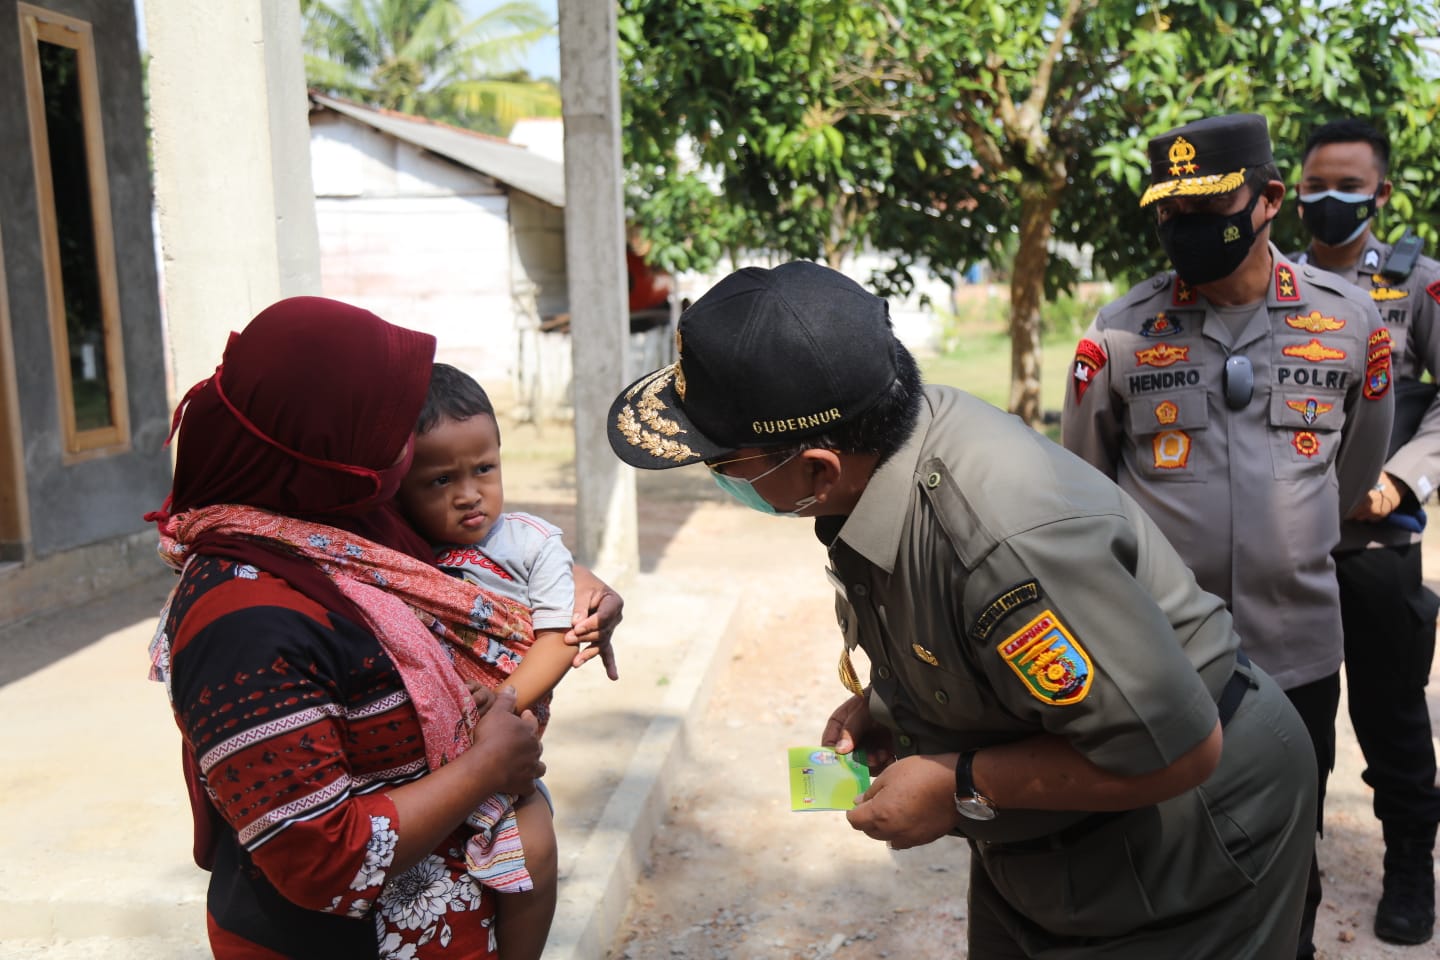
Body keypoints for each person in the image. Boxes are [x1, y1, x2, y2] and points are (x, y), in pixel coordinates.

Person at [607, 259, 1319, 958]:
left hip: (1195, 835)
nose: (718, 478)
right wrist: (897, 707)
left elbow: (1181, 751)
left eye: (722, 462)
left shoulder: (1003, 544)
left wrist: (960, 783)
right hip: (1052, 842)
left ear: (818, 469)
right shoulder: (888, 452)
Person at [145, 296, 622, 960]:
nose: (406, 445)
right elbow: (319, 857)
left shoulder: (347, 527)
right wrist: (485, 766)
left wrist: (571, 584)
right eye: (391, 425)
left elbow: (459, 572)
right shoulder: (244, 622)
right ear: (322, 443)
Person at [1060, 112, 1395, 960]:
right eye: (1169, 212)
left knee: (1291, 844)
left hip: (1301, 649)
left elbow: (1355, 473)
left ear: (1269, 199)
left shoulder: (1352, 324)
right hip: (1167, 653)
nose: (1186, 229)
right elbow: (1087, 487)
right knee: (1163, 843)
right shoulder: (1121, 333)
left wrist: (1303, 531)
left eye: (1209, 207)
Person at [1290, 117, 1440, 946]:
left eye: (1349, 187)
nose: (1329, 201)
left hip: (1379, 549)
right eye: (1316, 185)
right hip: (1291, 553)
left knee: (1392, 719)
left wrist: (1399, 477)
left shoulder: (1421, 286)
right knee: (1289, 730)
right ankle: (1292, 885)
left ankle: (1412, 862)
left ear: (1381, 194)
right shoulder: (1271, 282)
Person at [396, 362, 586, 960]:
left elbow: (558, 639)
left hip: (507, 724)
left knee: (535, 848)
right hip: (426, 753)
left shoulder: (532, 544)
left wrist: (502, 699)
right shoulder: (401, 553)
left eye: (484, 469)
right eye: (439, 480)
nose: (468, 493)